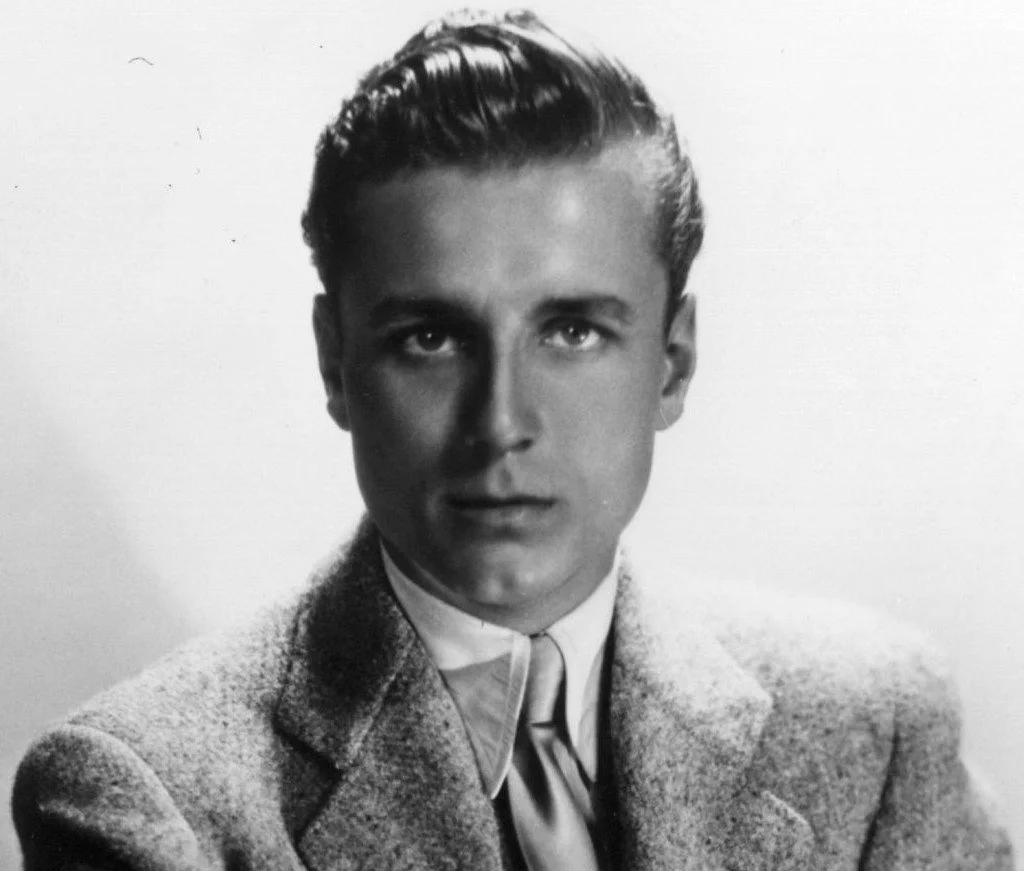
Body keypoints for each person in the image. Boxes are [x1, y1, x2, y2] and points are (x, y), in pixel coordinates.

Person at [11, 8, 1014, 870]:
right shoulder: (148, 794)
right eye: (431, 337)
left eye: (571, 331)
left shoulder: (873, 723)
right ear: (336, 363)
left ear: (672, 362)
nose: (500, 424)